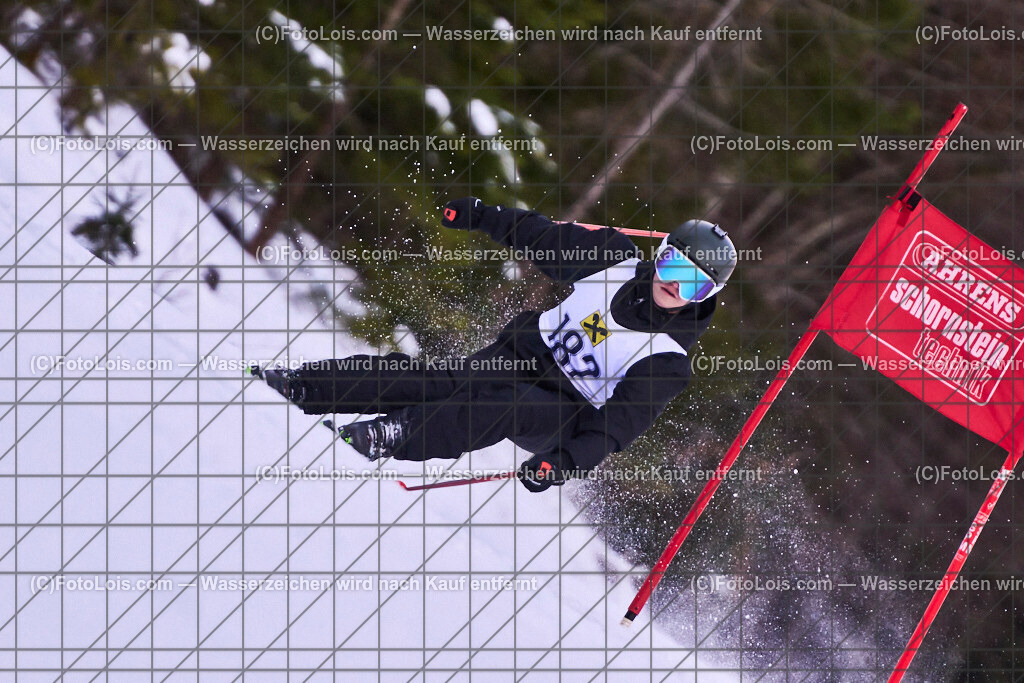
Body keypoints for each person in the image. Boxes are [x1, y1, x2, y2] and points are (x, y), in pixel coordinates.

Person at [253, 198, 737, 492]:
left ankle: (392, 434)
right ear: (661, 255)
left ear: (707, 296)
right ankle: (304, 385)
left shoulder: (667, 360)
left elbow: (615, 428)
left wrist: (563, 464)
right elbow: (541, 238)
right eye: (674, 266)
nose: (676, 286)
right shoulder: (612, 258)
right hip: (521, 357)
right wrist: (481, 216)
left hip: (565, 414)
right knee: (441, 382)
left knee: (506, 405)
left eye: (695, 285)